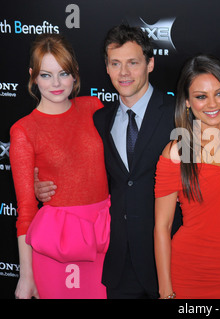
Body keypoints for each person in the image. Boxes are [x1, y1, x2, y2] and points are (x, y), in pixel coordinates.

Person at [34, 24, 181, 299]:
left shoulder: (177, 115)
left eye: (132, 63)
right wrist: (40, 183)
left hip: (168, 262)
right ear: (107, 67)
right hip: (117, 265)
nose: (123, 73)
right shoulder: (99, 119)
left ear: (150, 64)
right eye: (115, 63)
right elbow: (79, 169)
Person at [10, 34, 110, 299]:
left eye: (63, 73)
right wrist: (26, 277)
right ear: (32, 76)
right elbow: (26, 211)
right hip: (55, 248)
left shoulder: (94, 108)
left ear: (75, 74)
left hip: (103, 238)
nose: (56, 83)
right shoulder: (24, 130)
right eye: (46, 75)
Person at [154, 54, 220, 299]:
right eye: (201, 96)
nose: (212, 104)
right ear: (187, 102)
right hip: (190, 275)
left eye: (219, 93)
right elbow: (162, 227)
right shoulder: (177, 151)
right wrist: (166, 290)